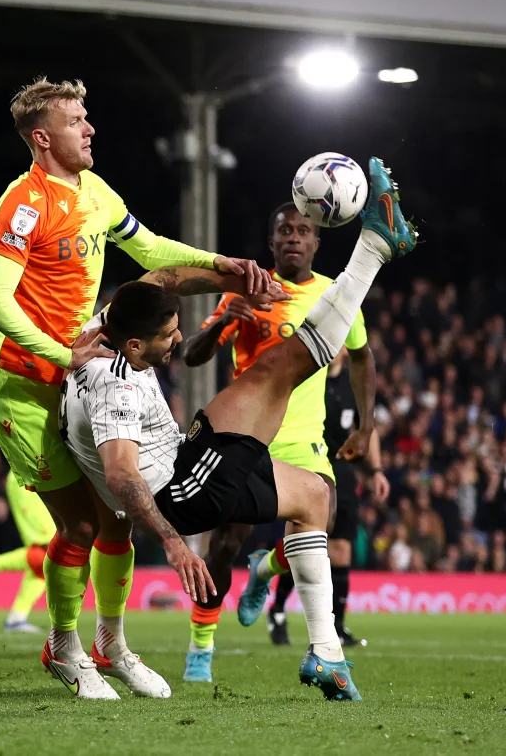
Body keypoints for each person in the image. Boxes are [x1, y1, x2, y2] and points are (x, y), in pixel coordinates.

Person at [59, 157, 415, 701]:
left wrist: (233, 274)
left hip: (184, 459)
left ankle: (328, 656)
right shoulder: (114, 381)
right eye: (167, 337)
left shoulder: (106, 323)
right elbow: (122, 476)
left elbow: (163, 278)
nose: (176, 342)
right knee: (280, 367)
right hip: (178, 493)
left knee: (315, 496)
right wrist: (177, 546)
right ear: (133, 347)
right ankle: (374, 247)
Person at [0, 77, 269, 700]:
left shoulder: (95, 191)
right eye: (77, 121)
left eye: (87, 116)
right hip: (23, 389)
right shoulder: (23, 203)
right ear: (43, 137)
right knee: (80, 527)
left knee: (115, 525)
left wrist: (224, 267)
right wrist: (63, 352)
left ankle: (112, 644)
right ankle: (65, 648)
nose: (90, 129)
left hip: (71, 380)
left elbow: (152, 251)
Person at [176, 203, 377, 682]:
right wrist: (224, 323)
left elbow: (363, 357)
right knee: (222, 547)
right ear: (271, 243)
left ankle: (265, 569)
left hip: (305, 439)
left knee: (321, 526)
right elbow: (191, 355)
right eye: (284, 230)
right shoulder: (248, 291)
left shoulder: (334, 296)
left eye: (303, 230)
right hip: (248, 438)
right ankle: (201, 646)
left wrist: (366, 425)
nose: (293, 237)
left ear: (316, 242)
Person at [265, 352, 389, 648]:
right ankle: (278, 609)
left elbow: (366, 429)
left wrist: (376, 471)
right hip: (309, 463)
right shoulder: (308, 377)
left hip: (341, 470)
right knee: (308, 542)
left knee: (342, 550)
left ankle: (338, 625)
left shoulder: (351, 384)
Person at [0, 473, 54, 634]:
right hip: (26, 474)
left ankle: (17, 618)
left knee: (44, 566)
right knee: (47, 551)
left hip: (39, 476)